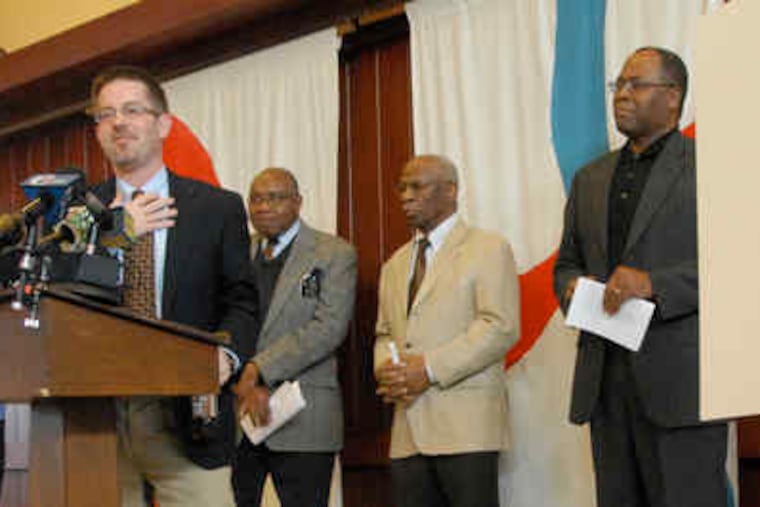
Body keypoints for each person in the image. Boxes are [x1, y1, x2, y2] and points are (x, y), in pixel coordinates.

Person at [554, 47, 728, 507]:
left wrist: (654, 284)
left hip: (682, 387)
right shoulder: (590, 178)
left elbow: (738, 266)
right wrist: (570, 288)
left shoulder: (713, 165)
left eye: (636, 84)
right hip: (605, 387)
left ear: (673, 97)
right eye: (619, 86)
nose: (622, 96)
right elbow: (566, 262)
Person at [88, 65, 258, 507]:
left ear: (163, 124)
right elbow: (62, 295)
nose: (118, 122)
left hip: (188, 415)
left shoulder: (216, 208)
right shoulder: (78, 212)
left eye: (132, 110)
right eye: (105, 114)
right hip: (96, 419)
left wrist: (226, 354)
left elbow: (241, 301)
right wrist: (118, 232)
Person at [373, 155, 520, 507]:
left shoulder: (488, 248)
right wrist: (387, 368)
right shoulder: (394, 264)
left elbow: (499, 326)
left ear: (451, 191)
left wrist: (428, 368)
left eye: (417, 186)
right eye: (402, 187)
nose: (406, 196)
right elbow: (384, 334)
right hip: (408, 428)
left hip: (467, 429)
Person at [232, 167, 357, 507]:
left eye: (275, 198)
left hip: (304, 417)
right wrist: (240, 376)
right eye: (256, 199)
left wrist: (258, 368)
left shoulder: (333, 253)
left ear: (298, 203)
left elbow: (327, 329)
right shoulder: (236, 252)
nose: (263, 207)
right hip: (239, 418)